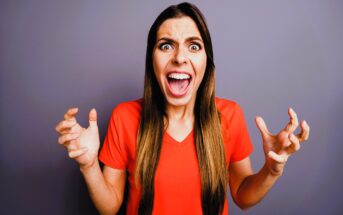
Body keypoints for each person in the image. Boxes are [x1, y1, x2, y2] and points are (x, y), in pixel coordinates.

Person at [55, 2, 310, 215]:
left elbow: (243, 196)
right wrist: (88, 166)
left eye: (194, 46)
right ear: (151, 60)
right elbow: (110, 207)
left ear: (206, 61)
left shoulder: (230, 116)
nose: (179, 57)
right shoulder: (125, 117)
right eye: (166, 45)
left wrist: (271, 170)